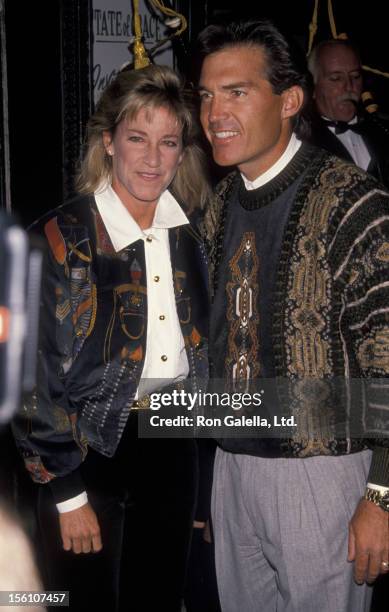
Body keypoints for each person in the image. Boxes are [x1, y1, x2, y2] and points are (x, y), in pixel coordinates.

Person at [196, 18, 389, 612]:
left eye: (236, 92)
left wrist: (380, 497)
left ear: (289, 101)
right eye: (205, 94)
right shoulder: (220, 202)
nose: (214, 112)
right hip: (233, 472)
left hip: (324, 476)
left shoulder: (353, 201)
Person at [12, 63, 210, 611]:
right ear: (108, 143)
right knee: (85, 602)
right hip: (88, 448)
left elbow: (206, 357)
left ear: (182, 151)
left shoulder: (191, 236)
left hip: (174, 445)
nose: (152, 159)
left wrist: (208, 480)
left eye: (168, 142)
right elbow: (31, 378)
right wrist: (65, 488)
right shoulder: (60, 238)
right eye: (137, 139)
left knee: (160, 599)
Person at [307, 38, 389, 187]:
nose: (349, 86)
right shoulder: (301, 143)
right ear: (312, 88)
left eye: (355, 76)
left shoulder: (381, 128)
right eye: (336, 78)